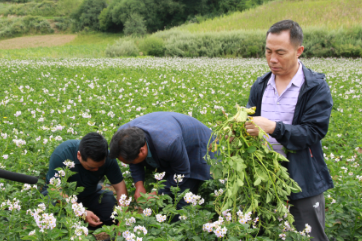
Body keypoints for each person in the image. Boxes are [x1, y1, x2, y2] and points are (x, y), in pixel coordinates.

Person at [245, 20, 333, 240]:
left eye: (280, 52)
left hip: (302, 178)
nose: (272, 59)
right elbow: (250, 118)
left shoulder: (314, 87)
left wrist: (273, 128)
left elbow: (312, 132)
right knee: (263, 234)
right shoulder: (261, 85)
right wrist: (243, 128)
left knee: (307, 236)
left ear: (299, 51)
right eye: (268, 51)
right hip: (263, 180)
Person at [109, 112, 214, 211]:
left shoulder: (168, 142)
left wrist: (157, 192)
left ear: (142, 151)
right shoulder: (123, 137)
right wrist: (139, 185)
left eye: (131, 162)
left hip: (198, 146)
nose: (130, 164)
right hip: (172, 142)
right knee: (166, 196)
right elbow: (133, 160)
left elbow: (182, 172)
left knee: (182, 201)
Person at [43, 132, 128, 229]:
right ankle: (75, 227)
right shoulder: (62, 154)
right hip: (63, 196)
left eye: (99, 167)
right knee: (54, 213)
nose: (96, 170)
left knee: (112, 211)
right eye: (91, 168)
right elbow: (54, 189)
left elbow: (120, 187)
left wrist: (122, 220)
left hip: (89, 194)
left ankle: (86, 226)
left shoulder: (108, 157)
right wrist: (81, 211)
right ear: (79, 156)